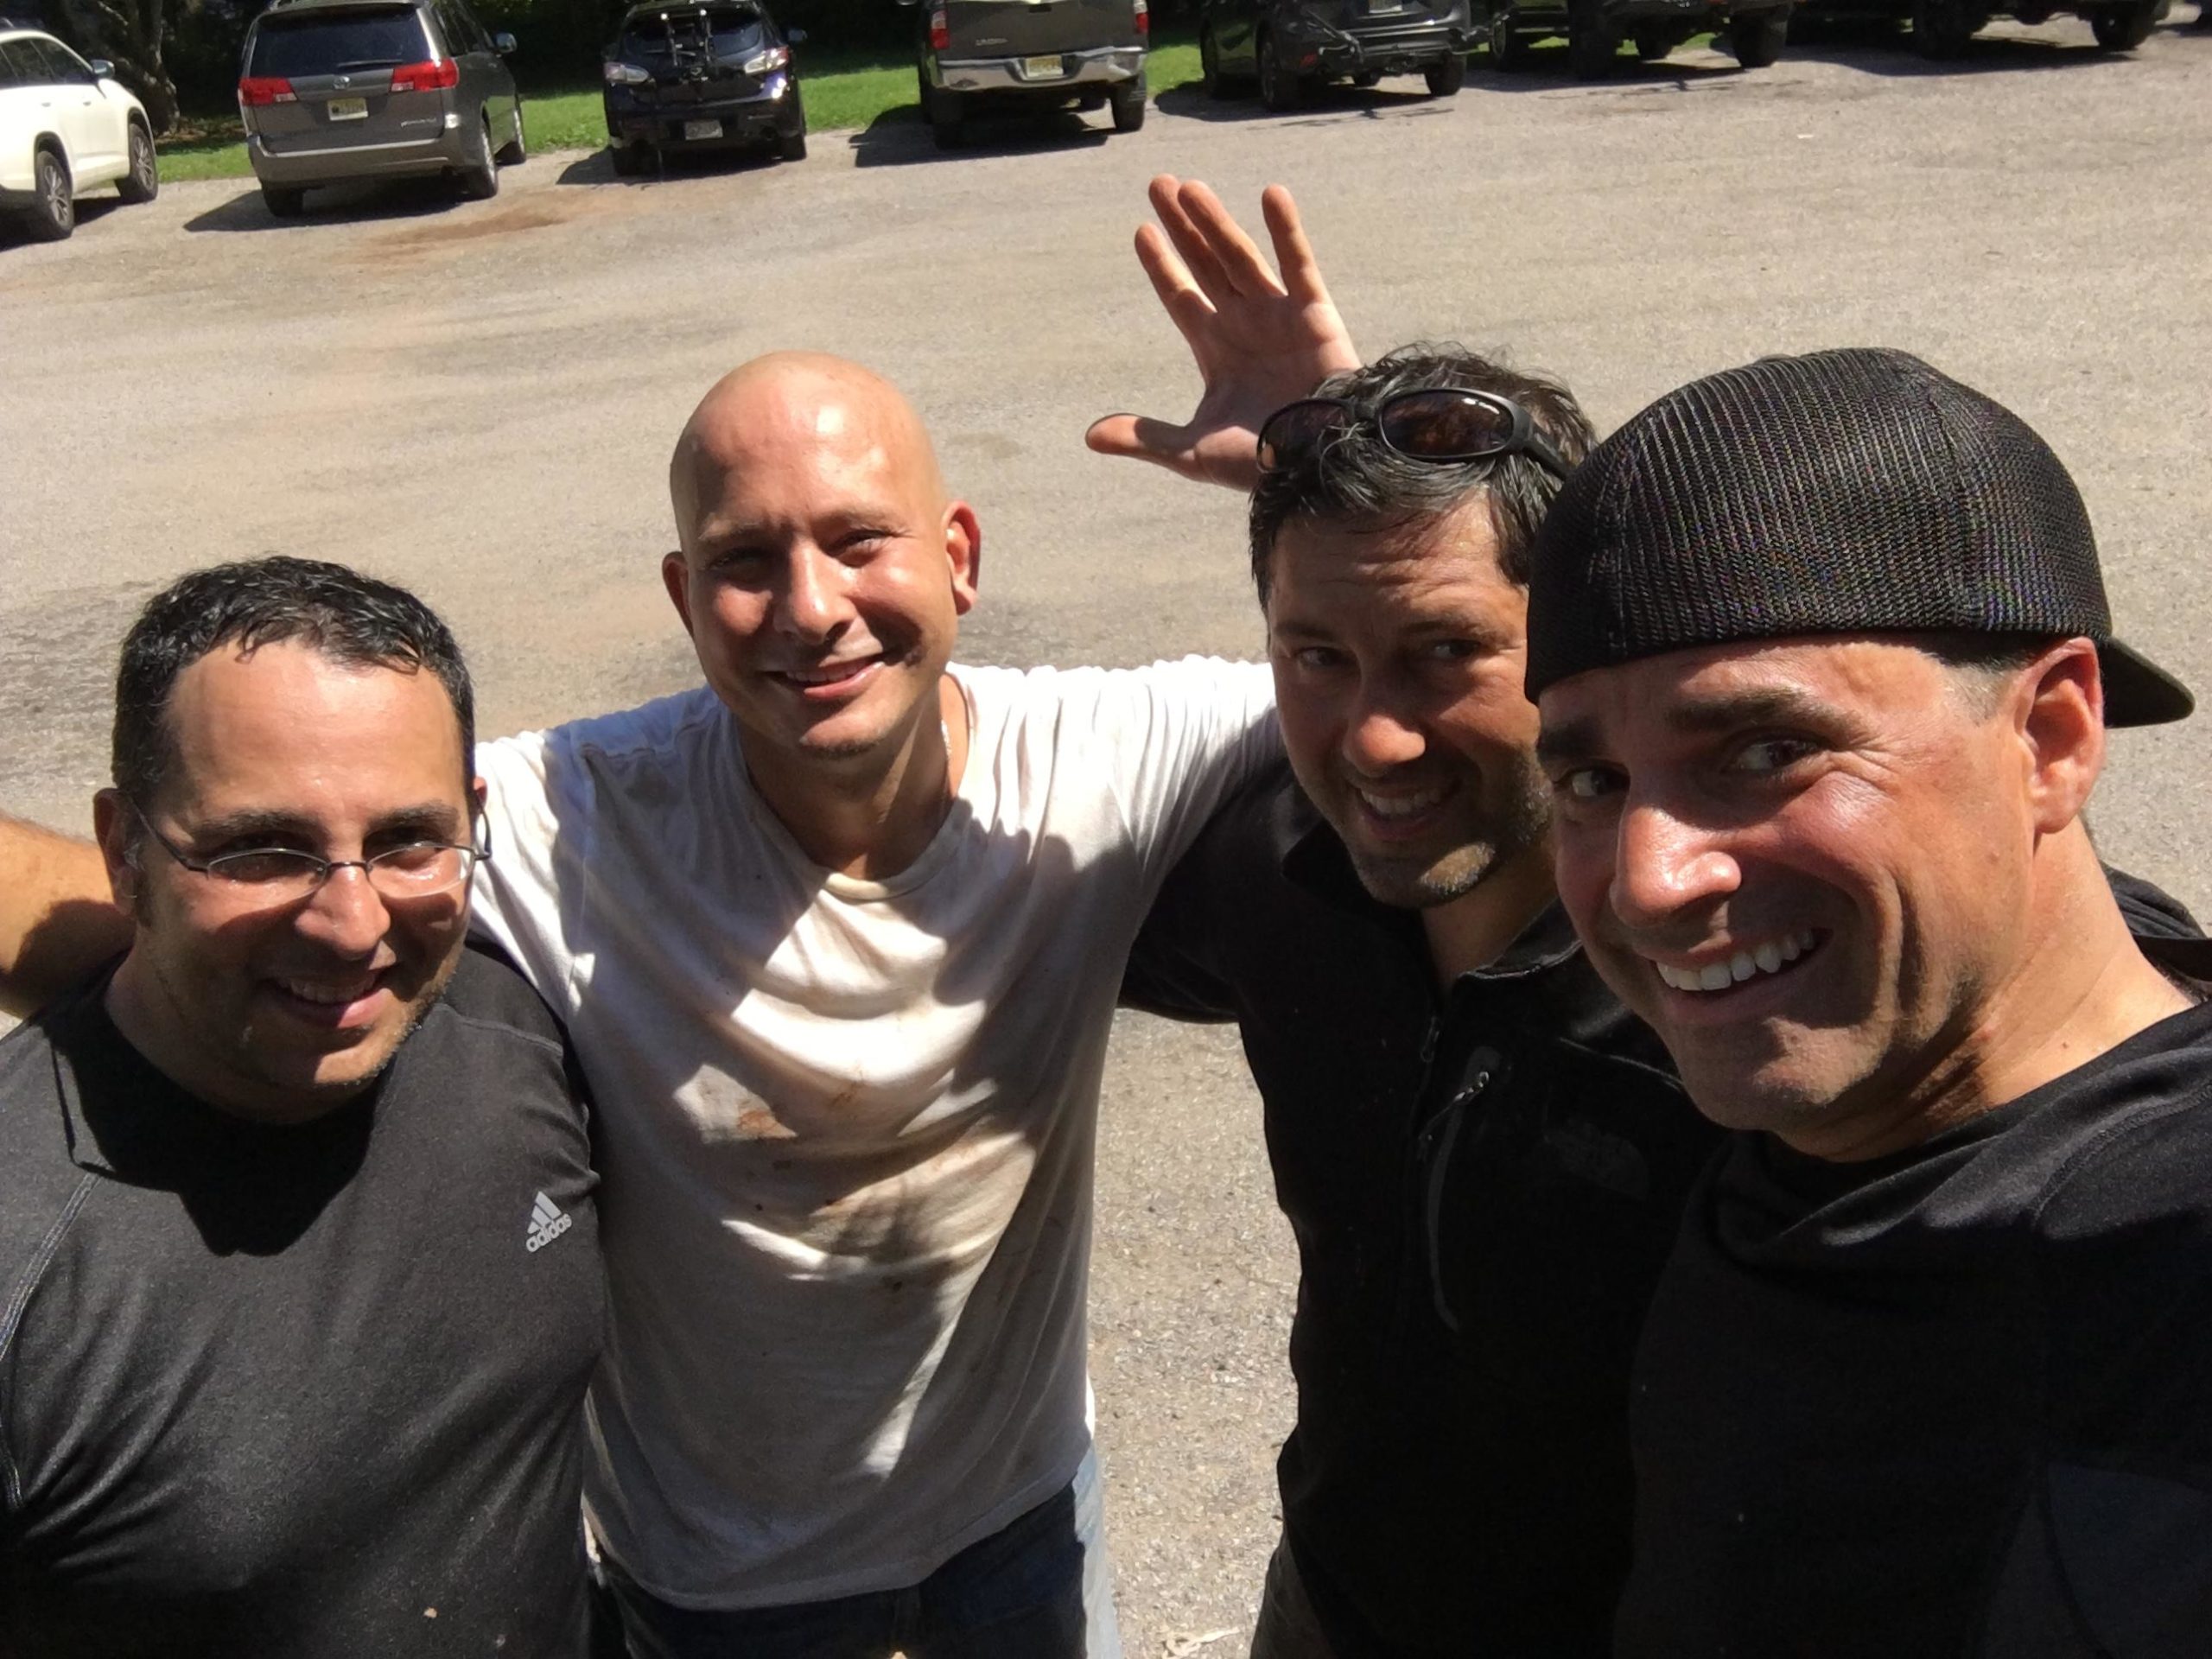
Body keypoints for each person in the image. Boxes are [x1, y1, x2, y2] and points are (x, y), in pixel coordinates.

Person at [0, 351, 1279, 1658]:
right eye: (744, 561)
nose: (810, 607)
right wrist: (192, 922)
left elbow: (1427, 683)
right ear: (683, 595)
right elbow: (282, 891)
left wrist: (1337, 457)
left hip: (1026, 1525)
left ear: (959, 553)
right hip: (719, 1593)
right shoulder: (577, 817)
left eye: (858, 540)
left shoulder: (1110, 756)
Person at [1100, 179, 1725, 1656]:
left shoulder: (1712, 949)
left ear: (1575, 642)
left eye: (1444, 653)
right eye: (1315, 655)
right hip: (1331, 1605)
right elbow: (950, 863)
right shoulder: (1273, 877)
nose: (1374, 740)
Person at [1522, 346, 2212, 1654]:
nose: (1653, 884)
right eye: (1594, 783)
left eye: (1767, 754)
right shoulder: (1823, 1052)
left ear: (2052, 738)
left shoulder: (2163, 1274)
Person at [0, 557, 605, 1657]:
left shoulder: (516, 1028)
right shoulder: (22, 1249)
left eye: (407, 841)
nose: (350, 922)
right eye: (261, 850)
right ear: (121, 852)